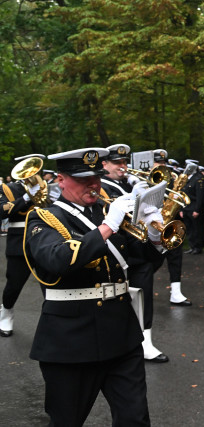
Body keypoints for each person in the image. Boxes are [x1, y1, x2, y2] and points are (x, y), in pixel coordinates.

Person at [24, 147, 165, 426]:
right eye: (83, 178)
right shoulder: (45, 218)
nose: (93, 184)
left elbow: (144, 259)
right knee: (67, 420)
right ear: (61, 179)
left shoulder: (109, 212)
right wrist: (108, 225)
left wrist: (153, 231)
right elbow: (60, 261)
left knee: (135, 419)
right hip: (70, 341)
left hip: (121, 335)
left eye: (97, 177)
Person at [101, 144, 169, 362]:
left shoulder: (125, 183)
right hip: (117, 251)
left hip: (138, 250)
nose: (122, 166)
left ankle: (146, 341)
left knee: (144, 295)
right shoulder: (103, 187)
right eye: (116, 163)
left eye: (124, 162)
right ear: (105, 164)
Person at [0, 154, 51, 337]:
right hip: (19, 240)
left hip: (44, 238)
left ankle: (53, 322)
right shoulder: (7, 188)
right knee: (14, 284)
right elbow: (2, 211)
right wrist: (26, 198)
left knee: (50, 284)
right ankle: (6, 311)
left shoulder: (46, 187)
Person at [153, 149, 192, 306]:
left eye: (163, 162)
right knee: (151, 261)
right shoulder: (144, 179)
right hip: (152, 226)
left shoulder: (171, 179)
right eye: (158, 162)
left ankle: (176, 293)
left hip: (170, 223)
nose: (162, 165)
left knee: (176, 258)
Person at [181, 160, 204, 255]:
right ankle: (192, 246)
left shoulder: (198, 179)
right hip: (186, 208)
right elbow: (183, 195)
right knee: (189, 229)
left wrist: (197, 210)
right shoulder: (186, 179)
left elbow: (200, 197)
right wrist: (182, 209)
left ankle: (197, 247)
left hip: (194, 208)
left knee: (196, 229)